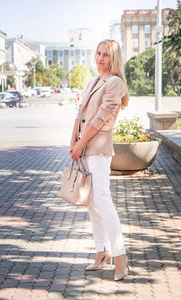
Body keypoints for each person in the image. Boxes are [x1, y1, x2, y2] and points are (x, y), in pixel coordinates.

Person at [69, 39, 129, 281]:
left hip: (98, 150)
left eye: (106, 54)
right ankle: (101, 252)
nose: (100, 58)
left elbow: (102, 117)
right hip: (84, 149)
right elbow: (80, 113)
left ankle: (121, 258)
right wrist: (73, 141)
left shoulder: (115, 83)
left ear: (114, 58)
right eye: (98, 53)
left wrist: (81, 143)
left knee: (103, 201)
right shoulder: (93, 81)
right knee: (92, 205)